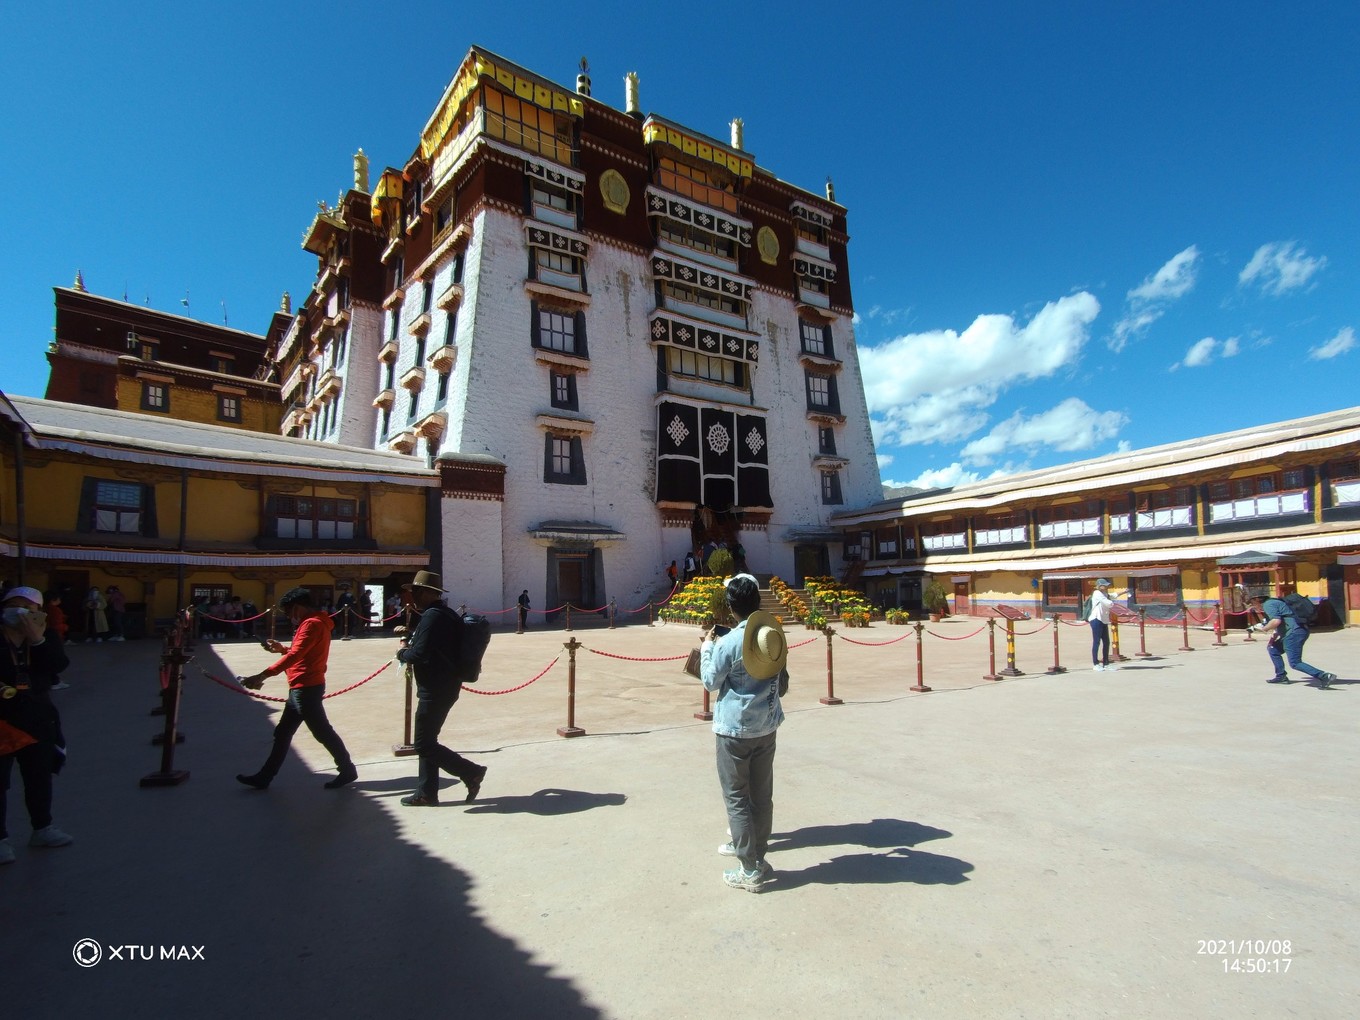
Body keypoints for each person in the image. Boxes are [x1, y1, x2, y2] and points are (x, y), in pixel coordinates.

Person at [699, 573, 788, 893]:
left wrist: (707, 647)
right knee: (762, 796)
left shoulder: (729, 642)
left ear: (731, 606)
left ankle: (749, 868)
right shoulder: (772, 634)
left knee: (737, 797)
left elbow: (710, 681)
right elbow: (784, 683)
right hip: (767, 726)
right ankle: (759, 857)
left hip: (735, 730)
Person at [236, 587, 357, 790]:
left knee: (321, 731)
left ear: (298, 607)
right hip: (302, 685)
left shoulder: (311, 624)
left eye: (289, 611)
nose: (289, 616)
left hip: (306, 686)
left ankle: (347, 769)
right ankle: (265, 776)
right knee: (284, 732)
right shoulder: (316, 622)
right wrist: (282, 649)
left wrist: (263, 675)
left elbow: (296, 656)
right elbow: (299, 652)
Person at [395, 570, 486, 806]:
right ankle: (426, 792)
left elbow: (419, 653)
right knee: (429, 741)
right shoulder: (445, 614)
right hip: (445, 684)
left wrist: (402, 650)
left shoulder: (432, 617)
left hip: (435, 688)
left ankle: (470, 771)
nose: (411, 596)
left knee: (423, 744)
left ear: (426, 593)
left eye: (415, 591)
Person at [1, 585, 73, 864]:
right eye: (12, 607)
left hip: (38, 714)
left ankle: (42, 827)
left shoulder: (46, 637)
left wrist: (37, 640)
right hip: (3, 717)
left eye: (27, 609)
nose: (18, 614)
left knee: (39, 775)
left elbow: (57, 665)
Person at [1247, 588, 1337, 688]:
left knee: (1295, 662)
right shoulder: (1274, 602)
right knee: (1273, 649)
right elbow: (1282, 620)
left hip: (1294, 633)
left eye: (1252, 602)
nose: (1253, 605)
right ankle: (1281, 676)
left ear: (1257, 599)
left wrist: (1264, 629)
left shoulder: (1268, 604)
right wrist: (1275, 633)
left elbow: (1276, 621)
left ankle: (1324, 676)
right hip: (1296, 631)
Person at [1088, 578, 1119, 672]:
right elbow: (1108, 603)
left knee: (1106, 642)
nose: (1106, 586)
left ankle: (1106, 663)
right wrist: (1115, 605)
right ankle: (1096, 663)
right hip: (1096, 619)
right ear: (1099, 586)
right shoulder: (1097, 593)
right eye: (1104, 585)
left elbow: (1112, 596)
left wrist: (1123, 592)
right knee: (1096, 642)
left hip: (1104, 620)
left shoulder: (1105, 594)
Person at [43, 592, 71, 692]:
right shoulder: (55, 610)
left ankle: (54, 680)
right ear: (54, 599)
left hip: (42, 634)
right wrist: (65, 627)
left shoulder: (43, 608)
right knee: (55, 658)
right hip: (54, 635)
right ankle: (54, 681)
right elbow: (56, 624)